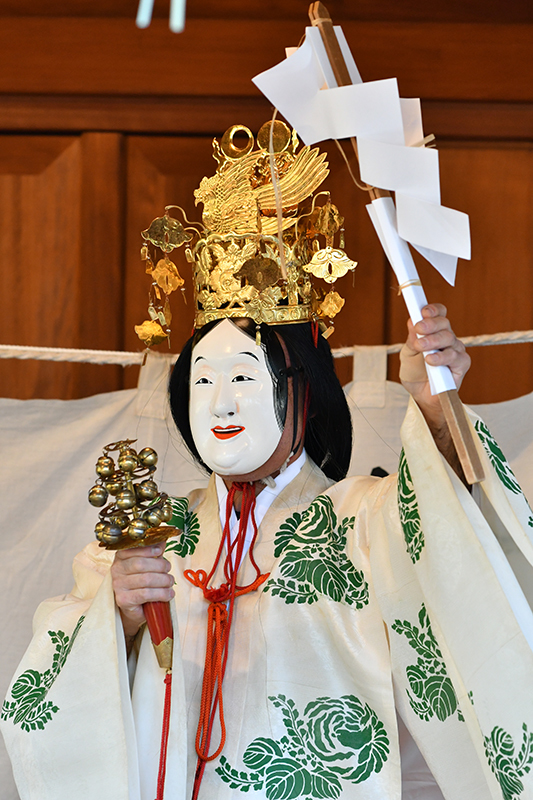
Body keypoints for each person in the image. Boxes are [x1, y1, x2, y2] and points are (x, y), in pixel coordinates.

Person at [3, 123, 533, 800]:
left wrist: (434, 409)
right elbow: (44, 705)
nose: (220, 403)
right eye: (201, 381)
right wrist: (118, 619)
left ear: (301, 393)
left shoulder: (363, 521)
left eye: (244, 379)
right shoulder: (147, 538)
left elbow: (464, 560)